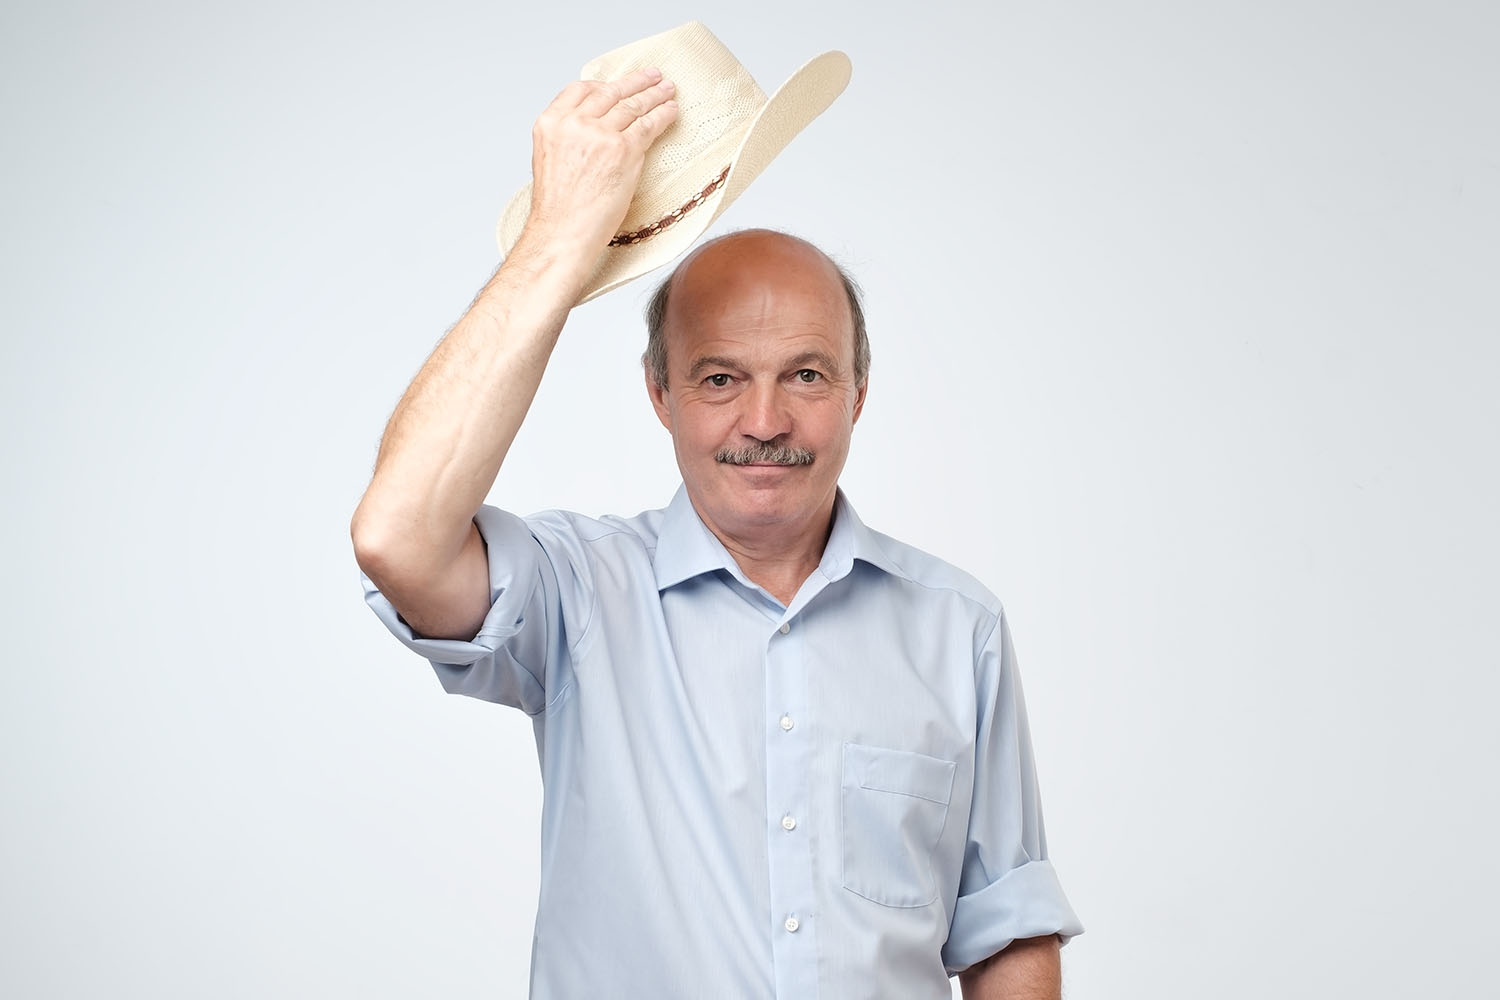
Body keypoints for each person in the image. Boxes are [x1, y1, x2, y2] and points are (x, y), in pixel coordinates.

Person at [352, 65, 1082, 999]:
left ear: (861, 390)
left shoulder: (957, 626)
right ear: (659, 394)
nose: (767, 421)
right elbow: (397, 536)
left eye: (808, 376)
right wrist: (558, 242)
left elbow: (1006, 935)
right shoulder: (579, 594)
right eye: (720, 378)